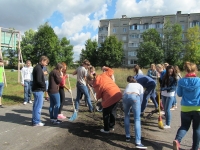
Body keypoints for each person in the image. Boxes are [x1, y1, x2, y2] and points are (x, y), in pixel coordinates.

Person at [173, 62, 200, 150]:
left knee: (184, 126)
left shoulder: (181, 81)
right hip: (197, 107)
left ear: (186, 70)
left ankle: (177, 140)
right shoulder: (199, 80)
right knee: (197, 129)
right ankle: (195, 148)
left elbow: (179, 94)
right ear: (195, 70)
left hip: (185, 108)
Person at [87, 67, 122, 133]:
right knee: (113, 111)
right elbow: (111, 70)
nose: (89, 84)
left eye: (88, 82)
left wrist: (97, 99)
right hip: (117, 93)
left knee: (105, 112)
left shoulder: (96, 85)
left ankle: (106, 129)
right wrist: (105, 67)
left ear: (91, 80)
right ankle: (112, 126)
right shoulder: (103, 74)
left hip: (110, 96)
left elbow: (98, 95)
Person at [122, 76, 147, 149]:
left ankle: (127, 136)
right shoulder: (140, 86)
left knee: (126, 115)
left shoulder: (128, 85)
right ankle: (138, 142)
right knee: (137, 119)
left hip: (125, 97)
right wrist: (138, 106)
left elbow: (124, 93)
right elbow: (141, 98)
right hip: (135, 97)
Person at [32, 56, 49, 126]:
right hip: (38, 89)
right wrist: (44, 87)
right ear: (42, 61)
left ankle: (35, 120)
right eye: (46, 62)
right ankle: (36, 121)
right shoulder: (38, 68)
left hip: (37, 89)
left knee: (36, 106)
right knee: (38, 107)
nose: (46, 64)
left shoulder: (38, 67)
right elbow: (39, 80)